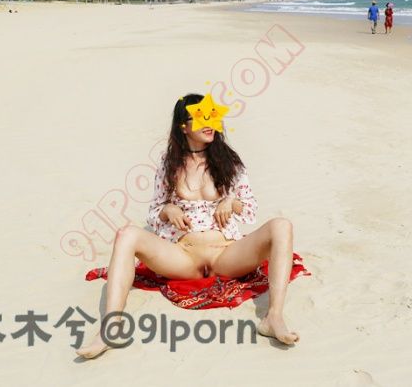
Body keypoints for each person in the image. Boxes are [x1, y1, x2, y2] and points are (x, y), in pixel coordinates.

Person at [76, 93, 300, 358]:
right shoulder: (169, 164)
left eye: (212, 116)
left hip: (226, 254)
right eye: (201, 117)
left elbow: (250, 208)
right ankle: (111, 326)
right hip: (183, 256)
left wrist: (231, 202)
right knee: (126, 234)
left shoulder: (229, 161)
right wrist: (167, 210)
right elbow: (154, 212)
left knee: (282, 225)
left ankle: (273, 317)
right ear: (184, 126)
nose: (209, 123)